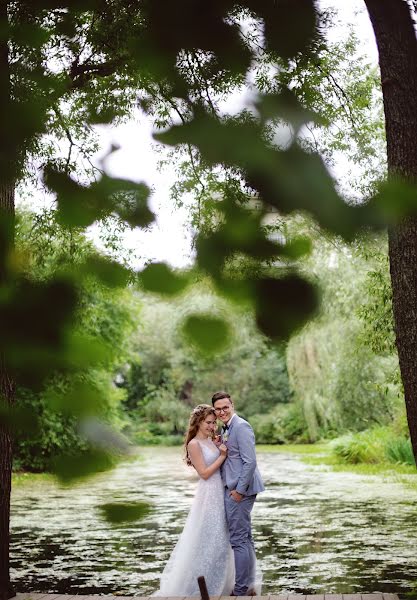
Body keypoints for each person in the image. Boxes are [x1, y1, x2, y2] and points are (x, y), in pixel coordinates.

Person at [154, 404, 235, 597]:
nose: (212, 426)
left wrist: (217, 447)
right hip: (209, 495)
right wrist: (222, 455)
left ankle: (223, 584)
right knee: (208, 539)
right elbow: (205, 473)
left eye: (214, 422)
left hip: (220, 491)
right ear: (198, 422)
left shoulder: (210, 441)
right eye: (208, 422)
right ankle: (197, 588)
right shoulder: (194, 444)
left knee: (223, 540)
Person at [212, 390, 265, 597]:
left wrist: (239, 492)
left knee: (238, 540)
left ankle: (241, 589)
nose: (222, 411)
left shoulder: (241, 426)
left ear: (232, 405)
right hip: (236, 488)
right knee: (245, 538)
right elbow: (233, 456)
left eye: (225, 407)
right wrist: (220, 446)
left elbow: (250, 462)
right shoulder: (227, 428)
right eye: (218, 409)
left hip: (240, 491)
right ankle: (249, 584)